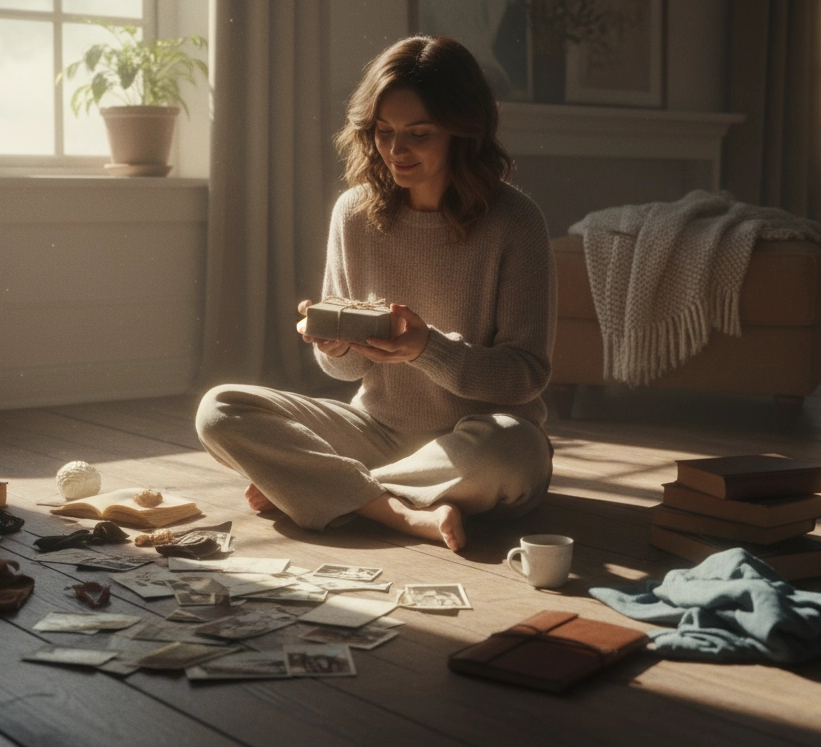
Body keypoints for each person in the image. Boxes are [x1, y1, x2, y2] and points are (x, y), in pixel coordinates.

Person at [195, 36, 555, 552]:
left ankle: (325, 489)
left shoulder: (516, 222)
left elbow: (526, 374)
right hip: (376, 433)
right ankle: (401, 514)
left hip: (477, 441)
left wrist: (427, 350)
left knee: (514, 453)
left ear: (463, 131)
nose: (395, 151)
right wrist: (336, 346)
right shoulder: (354, 213)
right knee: (219, 409)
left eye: (418, 133)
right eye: (383, 132)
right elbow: (344, 374)